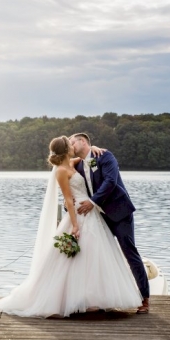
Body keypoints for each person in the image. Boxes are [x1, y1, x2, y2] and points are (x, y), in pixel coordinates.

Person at [0, 136, 142, 318]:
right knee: (77, 258)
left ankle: (93, 299)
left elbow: (88, 158)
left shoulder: (73, 162)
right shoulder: (61, 171)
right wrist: (75, 225)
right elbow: (69, 200)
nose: (73, 146)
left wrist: (93, 146)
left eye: (74, 142)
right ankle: (72, 300)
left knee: (94, 255)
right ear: (66, 149)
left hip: (92, 213)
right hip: (78, 214)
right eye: (70, 144)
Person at [69, 132, 151, 314]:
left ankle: (145, 298)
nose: (70, 146)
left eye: (72, 142)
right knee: (98, 256)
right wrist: (71, 208)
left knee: (130, 253)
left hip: (119, 213)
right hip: (98, 218)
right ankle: (100, 299)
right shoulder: (79, 165)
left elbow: (111, 181)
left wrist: (92, 202)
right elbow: (76, 189)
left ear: (83, 141)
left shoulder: (105, 156)